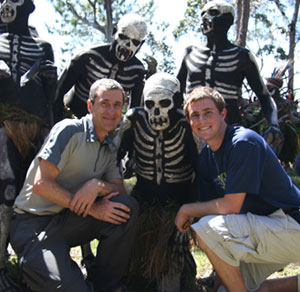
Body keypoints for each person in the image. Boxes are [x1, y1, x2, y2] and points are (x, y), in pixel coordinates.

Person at [10, 79, 139, 292]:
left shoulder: (108, 148)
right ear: (90, 106)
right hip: (32, 224)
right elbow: (41, 184)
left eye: (118, 105)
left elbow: (119, 191)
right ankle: (32, 267)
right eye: (105, 103)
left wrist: (97, 185)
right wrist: (94, 208)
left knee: (126, 206)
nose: (112, 110)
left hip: (68, 222)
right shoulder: (69, 130)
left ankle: (106, 285)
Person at [175, 86, 300, 292]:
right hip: (264, 229)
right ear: (189, 122)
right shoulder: (206, 158)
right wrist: (220, 275)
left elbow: (231, 206)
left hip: (291, 224)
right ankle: (273, 287)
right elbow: (213, 208)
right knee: (227, 286)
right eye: (194, 115)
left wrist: (187, 210)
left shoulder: (243, 142)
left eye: (208, 113)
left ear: (223, 114)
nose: (201, 120)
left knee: (208, 228)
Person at [116, 72, 199, 292]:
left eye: (163, 104)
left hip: (176, 209)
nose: (155, 112)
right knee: (133, 262)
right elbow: (114, 157)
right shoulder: (133, 120)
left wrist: (189, 216)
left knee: (171, 273)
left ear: (177, 103)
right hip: (142, 203)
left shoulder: (187, 126)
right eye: (150, 104)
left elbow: (200, 173)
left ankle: (179, 273)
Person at [0, 0, 57, 290]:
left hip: (35, 130)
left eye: (14, 0)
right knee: (5, 194)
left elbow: (51, 95)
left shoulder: (43, 47)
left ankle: (30, 265)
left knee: (30, 194)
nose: (6, 5)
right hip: (3, 129)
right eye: (2, 0)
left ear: (29, 7)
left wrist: (49, 129)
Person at [176, 0, 281, 147]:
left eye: (213, 13)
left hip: (230, 130)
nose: (205, 17)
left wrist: (274, 125)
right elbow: (175, 92)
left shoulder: (242, 56)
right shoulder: (190, 53)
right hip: (193, 129)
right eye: (202, 14)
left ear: (228, 20)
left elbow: (264, 97)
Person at [54, 13, 147, 122]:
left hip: (107, 126)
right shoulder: (88, 57)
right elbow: (58, 92)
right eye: (123, 37)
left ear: (141, 44)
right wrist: (58, 119)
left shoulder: (137, 71)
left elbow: (134, 111)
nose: (127, 45)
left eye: (135, 42)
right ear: (114, 32)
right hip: (73, 116)